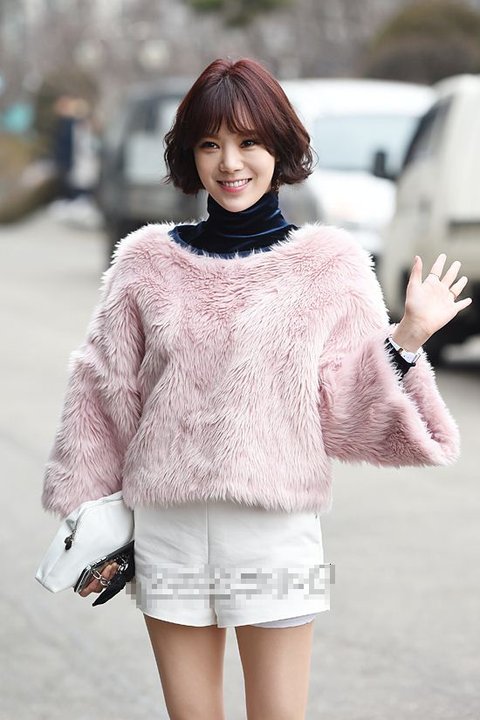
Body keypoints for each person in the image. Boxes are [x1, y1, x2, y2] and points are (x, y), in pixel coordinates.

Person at [41, 58, 471, 720]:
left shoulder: (329, 264)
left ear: (279, 147)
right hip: (168, 531)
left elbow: (344, 412)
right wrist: (87, 511)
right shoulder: (145, 261)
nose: (230, 163)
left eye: (248, 141)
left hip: (275, 531)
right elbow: (103, 392)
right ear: (190, 156)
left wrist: (408, 335)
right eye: (209, 144)